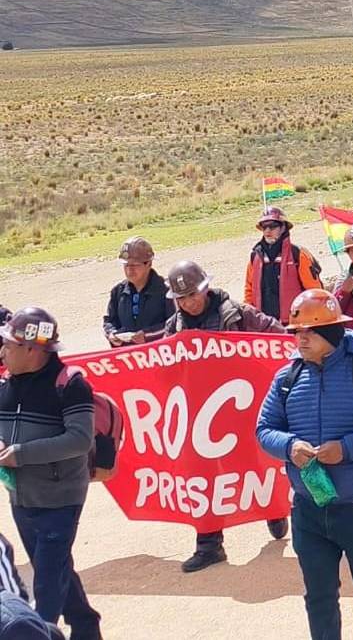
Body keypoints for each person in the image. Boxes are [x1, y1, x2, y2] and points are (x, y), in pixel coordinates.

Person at [255, 289, 353, 640]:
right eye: (296, 332)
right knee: (319, 595)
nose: (300, 340)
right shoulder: (286, 380)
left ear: (330, 332)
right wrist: (289, 446)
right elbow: (264, 429)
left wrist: (346, 449)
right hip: (309, 507)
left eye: (308, 332)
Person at [162, 261, 290, 571]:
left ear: (205, 288)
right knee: (201, 479)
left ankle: (272, 507)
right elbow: (164, 370)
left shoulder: (238, 315)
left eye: (192, 294)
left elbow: (278, 338)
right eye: (181, 298)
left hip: (240, 409)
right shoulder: (173, 329)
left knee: (248, 467)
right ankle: (209, 544)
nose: (188, 302)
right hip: (199, 418)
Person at [0, 308, 101, 639]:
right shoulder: (6, 386)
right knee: (57, 569)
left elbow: (80, 439)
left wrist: (23, 454)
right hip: (22, 498)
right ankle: (86, 627)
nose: (2, 352)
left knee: (46, 582)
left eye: (8, 345)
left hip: (61, 499)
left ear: (32, 349)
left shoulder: (70, 385)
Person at [244, 206, 324, 326]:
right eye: (264, 227)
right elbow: (249, 291)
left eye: (272, 226)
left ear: (283, 227)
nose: (267, 231)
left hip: (294, 324)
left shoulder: (298, 254)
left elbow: (315, 291)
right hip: (263, 325)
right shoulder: (255, 256)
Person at [103, 236, 173, 348]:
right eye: (126, 265)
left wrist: (148, 335)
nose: (129, 270)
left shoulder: (167, 291)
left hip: (159, 356)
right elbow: (109, 321)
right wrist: (111, 334)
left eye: (134, 265)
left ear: (149, 264)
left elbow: (176, 324)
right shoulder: (118, 292)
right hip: (129, 359)